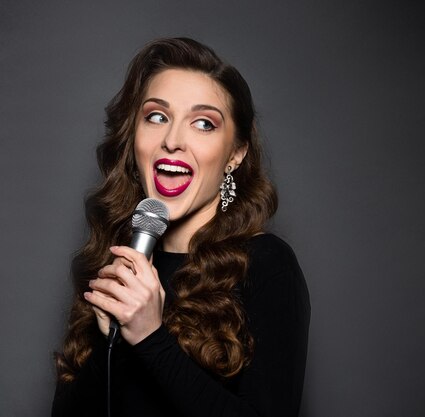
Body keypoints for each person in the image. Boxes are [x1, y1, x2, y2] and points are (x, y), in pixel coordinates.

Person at [52, 37, 310, 417]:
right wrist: (115, 343)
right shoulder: (117, 263)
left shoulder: (267, 265)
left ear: (234, 155)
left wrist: (151, 338)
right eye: (156, 117)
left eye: (203, 124)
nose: (172, 141)